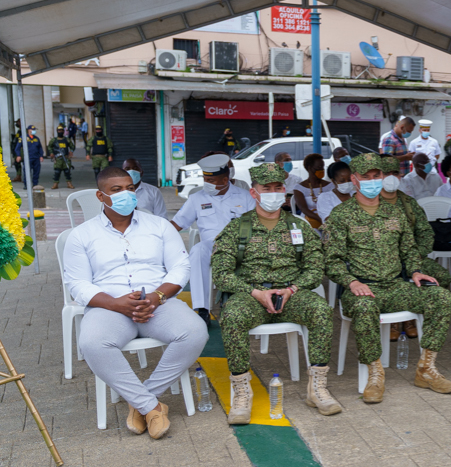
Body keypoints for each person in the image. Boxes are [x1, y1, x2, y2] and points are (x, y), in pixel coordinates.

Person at [63, 167, 208, 440]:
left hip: (159, 303)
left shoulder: (159, 226)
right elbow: (78, 284)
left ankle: (140, 401)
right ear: (101, 195)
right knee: (93, 343)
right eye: (116, 190)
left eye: (130, 188)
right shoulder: (81, 235)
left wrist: (156, 296)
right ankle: (152, 407)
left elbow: (180, 267)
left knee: (195, 331)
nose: (126, 194)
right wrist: (118, 304)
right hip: (109, 307)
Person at [211, 163, 341, 424]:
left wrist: (292, 289)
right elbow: (221, 273)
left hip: (291, 294)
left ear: (285, 190)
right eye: (266, 188)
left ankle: (317, 387)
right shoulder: (237, 228)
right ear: (254, 192)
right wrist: (254, 291)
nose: (273, 193)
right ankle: (241, 392)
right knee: (233, 316)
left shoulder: (300, 227)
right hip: (251, 297)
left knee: (320, 310)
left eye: (277, 187)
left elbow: (316, 267)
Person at [323, 153, 451, 403]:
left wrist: (416, 271)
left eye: (377, 176)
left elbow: (409, 249)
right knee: (364, 306)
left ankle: (426, 368)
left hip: (395, 286)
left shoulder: (396, 213)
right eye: (366, 177)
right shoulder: (341, 216)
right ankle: (375, 374)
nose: (373, 181)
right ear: (354, 179)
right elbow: (331, 260)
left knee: (439, 297)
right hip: (361, 289)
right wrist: (352, 282)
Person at [171, 154, 253, 326]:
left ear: (225, 179)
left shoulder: (244, 196)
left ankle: (240, 303)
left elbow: (257, 224)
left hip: (241, 249)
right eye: (205, 178)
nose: (206, 183)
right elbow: (177, 224)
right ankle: (202, 310)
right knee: (197, 250)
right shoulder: (197, 198)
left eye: (211, 180)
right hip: (212, 247)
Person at [380, 155, 451, 339]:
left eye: (394, 173)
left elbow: (426, 233)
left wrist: (415, 256)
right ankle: (394, 322)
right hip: (381, 261)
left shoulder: (409, 203)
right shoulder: (370, 203)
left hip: (413, 258)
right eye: (386, 173)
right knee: (392, 279)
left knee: (442, 277)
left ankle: (415, 317)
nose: (391, 177)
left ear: (400, 175)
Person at [293, 153, 333, 228]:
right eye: (319, 167)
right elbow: (304, 209)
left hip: (329, 219)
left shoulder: (330, 186)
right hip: (308, 221)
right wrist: (321, 220)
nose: (322, 170)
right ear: (310, 168)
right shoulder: (299, 188)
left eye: (323, 167)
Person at [48, 123, 75, 189]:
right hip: (58, 158)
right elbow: (49, 146)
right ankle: (55, 184)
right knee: (57, 172)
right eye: (59, 130)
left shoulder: (67, 139)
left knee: (67, 171)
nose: (60, 132)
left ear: (63, 131)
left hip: (65, 158)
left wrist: (71, 151)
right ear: (57, 131)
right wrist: (51, 153)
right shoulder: (54, 140)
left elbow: (72, 146)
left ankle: (69, 183)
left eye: (61, 130)